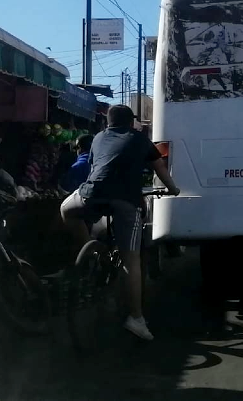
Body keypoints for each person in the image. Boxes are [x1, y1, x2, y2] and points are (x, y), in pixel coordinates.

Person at [59, 105, 179, 341]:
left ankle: (91, 251)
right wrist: (173, 189)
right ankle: (136, 318)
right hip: (125, 200)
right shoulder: (139, 139)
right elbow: (160, 168)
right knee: (131, 259)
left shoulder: (97, 138)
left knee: (65, 210)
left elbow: (98, 168)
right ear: (131, 122)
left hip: (91, 194)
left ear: (107, 121)